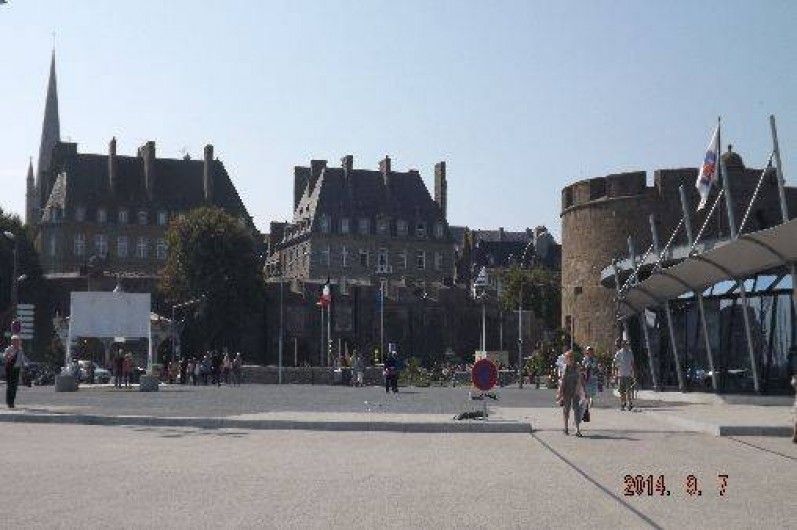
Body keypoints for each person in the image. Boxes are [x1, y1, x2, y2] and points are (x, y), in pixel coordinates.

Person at [556, 350, 586, 436]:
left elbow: (580, 379)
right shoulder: (565, 368)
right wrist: (560, 394)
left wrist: (580, 389)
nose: (570, 359)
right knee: (566, 409)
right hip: (566, 390)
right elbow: (563, 382)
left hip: (575, 389)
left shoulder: (577, 366)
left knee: (576, 409)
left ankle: (577, 429)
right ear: (565, 359)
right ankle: (566, 428)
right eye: (568, 357)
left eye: (571, 357)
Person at [4, 335, 30, 409]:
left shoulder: (20, 350)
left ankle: (12, 401)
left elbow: (23, 358)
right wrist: (10, 356)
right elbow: (6, 359)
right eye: (16, 341)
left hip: (17, 369)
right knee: (10, 386)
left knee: (15, 386)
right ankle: (9, 402)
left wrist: (25, 364)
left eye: (18, 341)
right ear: (12, 342)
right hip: (9, 369)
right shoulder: (8, 349)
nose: (18, 342)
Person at [613, 338, 635, 411]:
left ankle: (630, 404)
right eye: (624, 344)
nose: (625, 345)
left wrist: (634, 373)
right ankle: (623, 403)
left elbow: (632, 363)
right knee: (621, 391)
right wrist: (615, 373)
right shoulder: (619, 353)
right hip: (620, 375)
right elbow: (614, 363)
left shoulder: (630, 352)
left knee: (628, 390)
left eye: (626, 344)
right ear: (622, 345)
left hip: (628, 375)